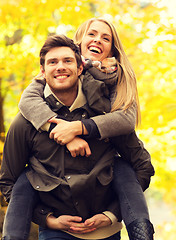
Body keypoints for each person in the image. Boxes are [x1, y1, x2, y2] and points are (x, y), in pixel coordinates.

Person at [0, 18, 154, 239]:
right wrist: (47, 219)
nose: (60, 67)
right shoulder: (28, 116)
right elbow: (8, 181)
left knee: (122, 167)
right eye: (53, 63)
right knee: (25, 178)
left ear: (79, 64)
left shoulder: (110, 104)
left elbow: (140, 160)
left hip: (105, 229)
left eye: (105, 38)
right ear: (42, 71)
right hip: (57, 230)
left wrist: (112, 214)